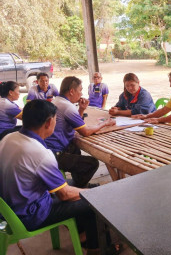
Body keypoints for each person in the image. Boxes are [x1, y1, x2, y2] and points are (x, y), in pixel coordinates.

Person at [0, 100, 100, 254]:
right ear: (48, 122)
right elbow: (64, 194)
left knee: (83, 191)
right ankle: (95, 250)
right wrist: (91, 194)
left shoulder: (8, 138)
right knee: (91, 202)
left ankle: (82, 236)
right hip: (29, 215)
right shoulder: (40, 153)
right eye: (55, 119)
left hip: (8, 210)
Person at [45, 76, 115, 188]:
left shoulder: (57, 101)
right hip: (54, 153)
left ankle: (79, 183)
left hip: (47, 148)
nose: (81, 94)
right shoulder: (67, 107)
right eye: (80, 90)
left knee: (75, 148)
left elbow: (76, 125)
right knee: (91, 163)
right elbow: (85, 132)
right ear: (72, 91)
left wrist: (81, 109)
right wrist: (105, 123)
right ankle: (78, 188)